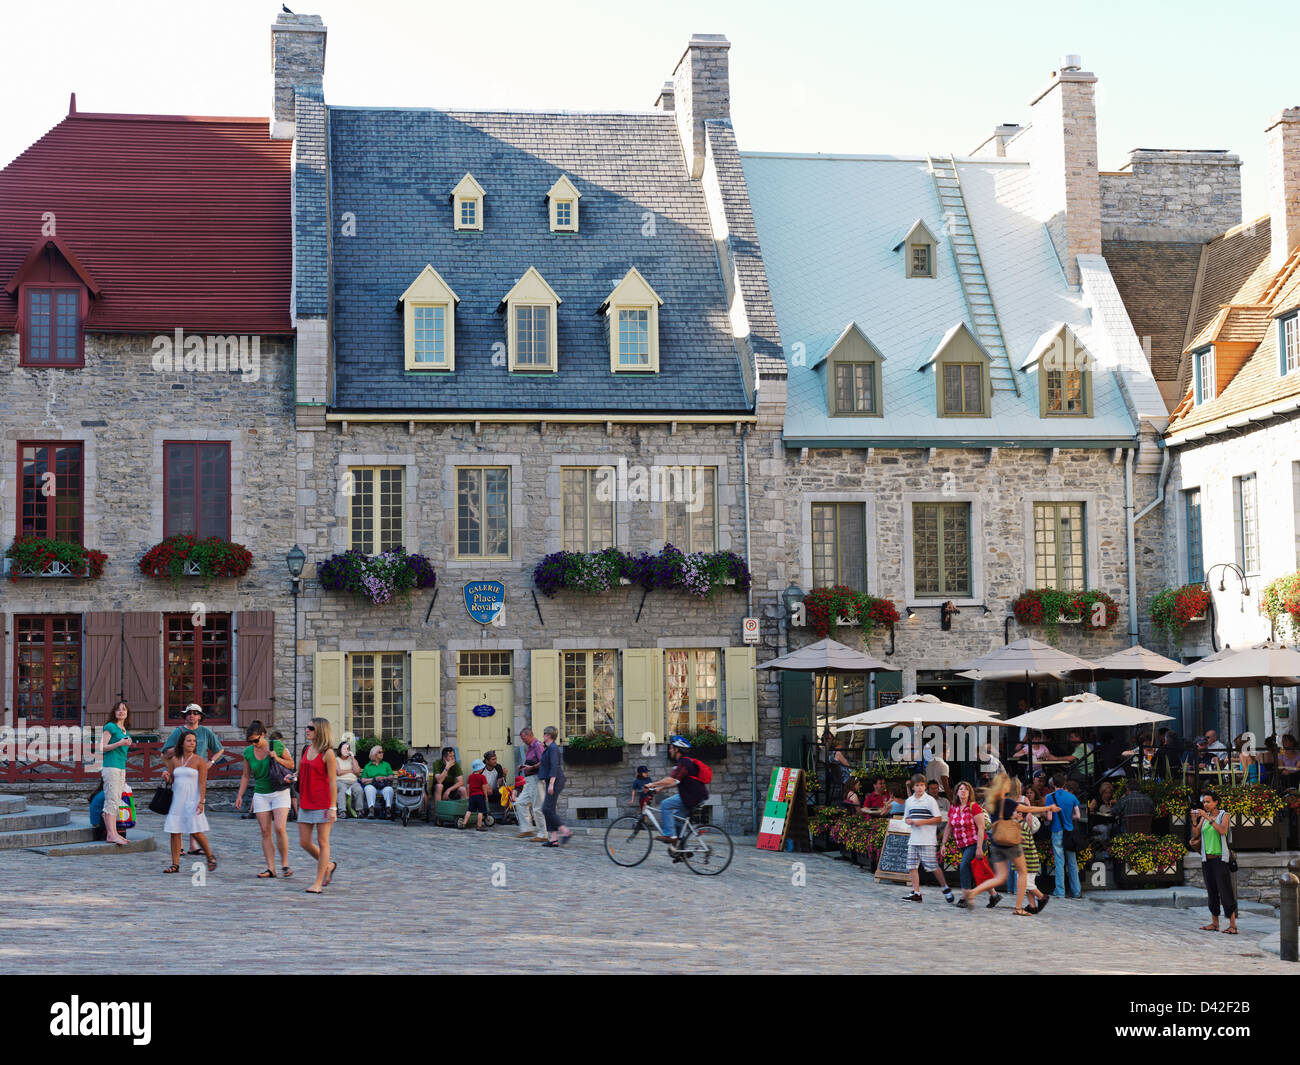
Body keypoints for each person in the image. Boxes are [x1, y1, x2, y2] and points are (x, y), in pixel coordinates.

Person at [964, 773, 1060, 916]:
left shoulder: (992, 802)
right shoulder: (1007, 802)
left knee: (1000, 877)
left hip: (997, 842)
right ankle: (1018, 907)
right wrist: (1048, 808)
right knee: (1022, 873)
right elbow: (1029, 810)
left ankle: (973, 892)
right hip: (1010, 843)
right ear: (1004, 786)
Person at [161, 703, 227, 854]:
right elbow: (165, 752)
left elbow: (219, 749)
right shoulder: (178, 731)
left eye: (195, 713)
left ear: (200, 716)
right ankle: (180, 846)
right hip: (181, 773)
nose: (192, 715)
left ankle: (193, 845)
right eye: (189, 713)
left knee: (195, 808)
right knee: (180, 807)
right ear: (185, 715)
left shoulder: (205, 732)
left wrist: (210, 762)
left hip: (198, 773)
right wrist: (179, 747)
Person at [235, 720, 295, 878]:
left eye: (256, 740)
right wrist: (240, 795)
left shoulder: (276, 745)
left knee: (280, 828)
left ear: (263, 735)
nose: (253, 744)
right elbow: (246, 775)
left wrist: (276, 757)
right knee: (265, 831)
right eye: (250, 741)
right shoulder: (248, 752)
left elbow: (291, 764)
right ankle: (271, 868)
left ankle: (284, 864)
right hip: (261, 793)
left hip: (279, 791)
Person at [162, 730, 215, 874]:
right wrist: (167, 777)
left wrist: (201, 801)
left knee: (196, 831)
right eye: (189, 740)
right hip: (177, 799)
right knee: (175, 831)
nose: (192, 743)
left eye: (194, 741)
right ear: (182, 743)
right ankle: (175, 864)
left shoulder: (199, 760)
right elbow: (173, 779)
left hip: (193, 799)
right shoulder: (174, 760)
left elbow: (203, 783)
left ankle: (210, 856)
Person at [941, 780, 1001, 908]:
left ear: (970, 793)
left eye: (966, 789)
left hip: (976, 842)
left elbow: (981, 827)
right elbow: (949, 826)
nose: (963, 791)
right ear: (956, 792)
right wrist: (943, 844)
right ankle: (994, 895)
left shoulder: (974, 807)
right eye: (961, 789)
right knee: (976, 868)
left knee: (964, 866)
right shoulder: (953, 808)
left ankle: (965, 897)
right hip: (962, 844)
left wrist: (979, 848)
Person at [296, 718, 339, 893]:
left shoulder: (328, 753)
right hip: (306, 800)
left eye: (310, 728)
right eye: (307, 727)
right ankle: (328, 865)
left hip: (323, 802)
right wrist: (293, 777)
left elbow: (333, 782)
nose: (306, 730)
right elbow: (302, 771)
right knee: (305, 842)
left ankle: (318, 883)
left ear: (320, 731)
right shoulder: (305, 749)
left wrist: (333, 807)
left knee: (323, 842)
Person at [900, 773, 953, 904]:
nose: (920, 788)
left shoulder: (930, 800)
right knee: (912, 866)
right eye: (917, 785)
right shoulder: (909, 801)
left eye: (922, 785)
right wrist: (909, 821)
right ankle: (916, 892)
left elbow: (938, 818)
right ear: (913, 787)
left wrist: (921, 822)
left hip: (927, 839)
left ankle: (945, 887)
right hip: (914, 839)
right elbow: (905, 817)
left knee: (933, 866)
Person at [648, 736, 708, 849]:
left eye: (671, 748)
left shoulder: (683, 763)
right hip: (695, 796)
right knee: (676, 819)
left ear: (677, 749)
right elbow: (676, 781)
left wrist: (652, 784)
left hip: (691, 797)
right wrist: (659, 789)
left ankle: (670, 836)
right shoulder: (685, 762)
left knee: (665, 804)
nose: (670, 750)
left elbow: (671, 779)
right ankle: (681, 849)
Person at [1192, 789, 1237, 934]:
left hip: (1220, 859)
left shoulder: (1224, 815)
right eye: (1204, 802)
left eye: (1208, 801)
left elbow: (1223, 830)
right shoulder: (1204, 817)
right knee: (1211, 891)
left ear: (1216, 802)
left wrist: (1208, 818)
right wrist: (1195, 821)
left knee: (1225, 891)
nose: (1205, 804)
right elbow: (1197, 833)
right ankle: (1215, 923)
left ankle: (1232, 925)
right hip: (1207, 859)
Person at [99, 701, 133, 846]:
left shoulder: (125, 730)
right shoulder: (110, 727)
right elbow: (102, 747)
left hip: (120, 768)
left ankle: (114, 833)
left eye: (124, 710)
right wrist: (119, 743)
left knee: (116, 801)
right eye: (118, 710)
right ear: (114, 712)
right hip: (111, 767)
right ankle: (110, 834)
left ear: (127, 713)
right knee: (111, 800)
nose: (121, 712)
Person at [1045, 773, 1083, 900]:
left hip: (1056, 831)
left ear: (1053, 784)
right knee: (1072, 862)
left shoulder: (1049, 797)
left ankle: (1060, 891)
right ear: (1064, 784)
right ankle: (1076, 891)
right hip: (1069, 831)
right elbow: (1078, 816)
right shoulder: (1071, 797)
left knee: (1059, 862)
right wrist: (1069, 818)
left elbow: (1050, 817)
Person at [538, 725, 572, 847]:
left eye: (544, 734)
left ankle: (565, 831)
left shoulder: (553, 748)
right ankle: (554, 839)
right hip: (552, 781)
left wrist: (551, 784)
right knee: (549, 809)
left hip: (555, 781)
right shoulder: (549, 748)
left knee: (546, 809)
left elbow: (554, 767)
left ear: (548, 735)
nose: (543, 736)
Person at [515, 727, 547, 841]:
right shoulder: (530, 747)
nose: (523, 740)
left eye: (523, 738)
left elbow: (543, 761)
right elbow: (532, 761)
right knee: (520, 803)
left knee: (537, 807)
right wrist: (524, 766)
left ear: (529, 735)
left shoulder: (537, 745)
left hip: (536, 780)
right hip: (529, 781)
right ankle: (527, 829)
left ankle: (543, 834)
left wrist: (531, 767)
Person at [360, 745, 397, 819]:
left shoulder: (386, 764)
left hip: (383, 786)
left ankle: (388, 810)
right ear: (374, 754)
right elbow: (363, 780)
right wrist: (374, 779)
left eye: (382, 752)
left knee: (389, 789)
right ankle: (371, 810)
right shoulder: (368, 766)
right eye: (380, 752)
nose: (382, 753)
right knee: (369, 788)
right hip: (373, 786)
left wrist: (384, 777)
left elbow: (391, 776)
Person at [335, 737, 365, 817]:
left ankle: (359, 811)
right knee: (343, 789)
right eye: (344, 748)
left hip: (353, 782)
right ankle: (342, 811)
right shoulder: (336, 760)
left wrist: (352, 758)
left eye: (348, 749)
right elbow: (339, 772)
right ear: (340, 750)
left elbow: (357, 771)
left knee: (359, 789)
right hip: (340, 782)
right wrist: (351, 771)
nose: (346, 750)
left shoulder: (352, 760)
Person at [460, 759, 491, 831]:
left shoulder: (470, 777)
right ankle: (479, 826)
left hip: (472, 796)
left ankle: (464, 824)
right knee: (481, 811)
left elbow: (468, 787)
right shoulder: (482, 777)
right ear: (480, 769)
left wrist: (468, 795)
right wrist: (486, 796)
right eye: (482, 768)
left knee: (469, 810)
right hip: (480, 796)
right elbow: (484, 787)